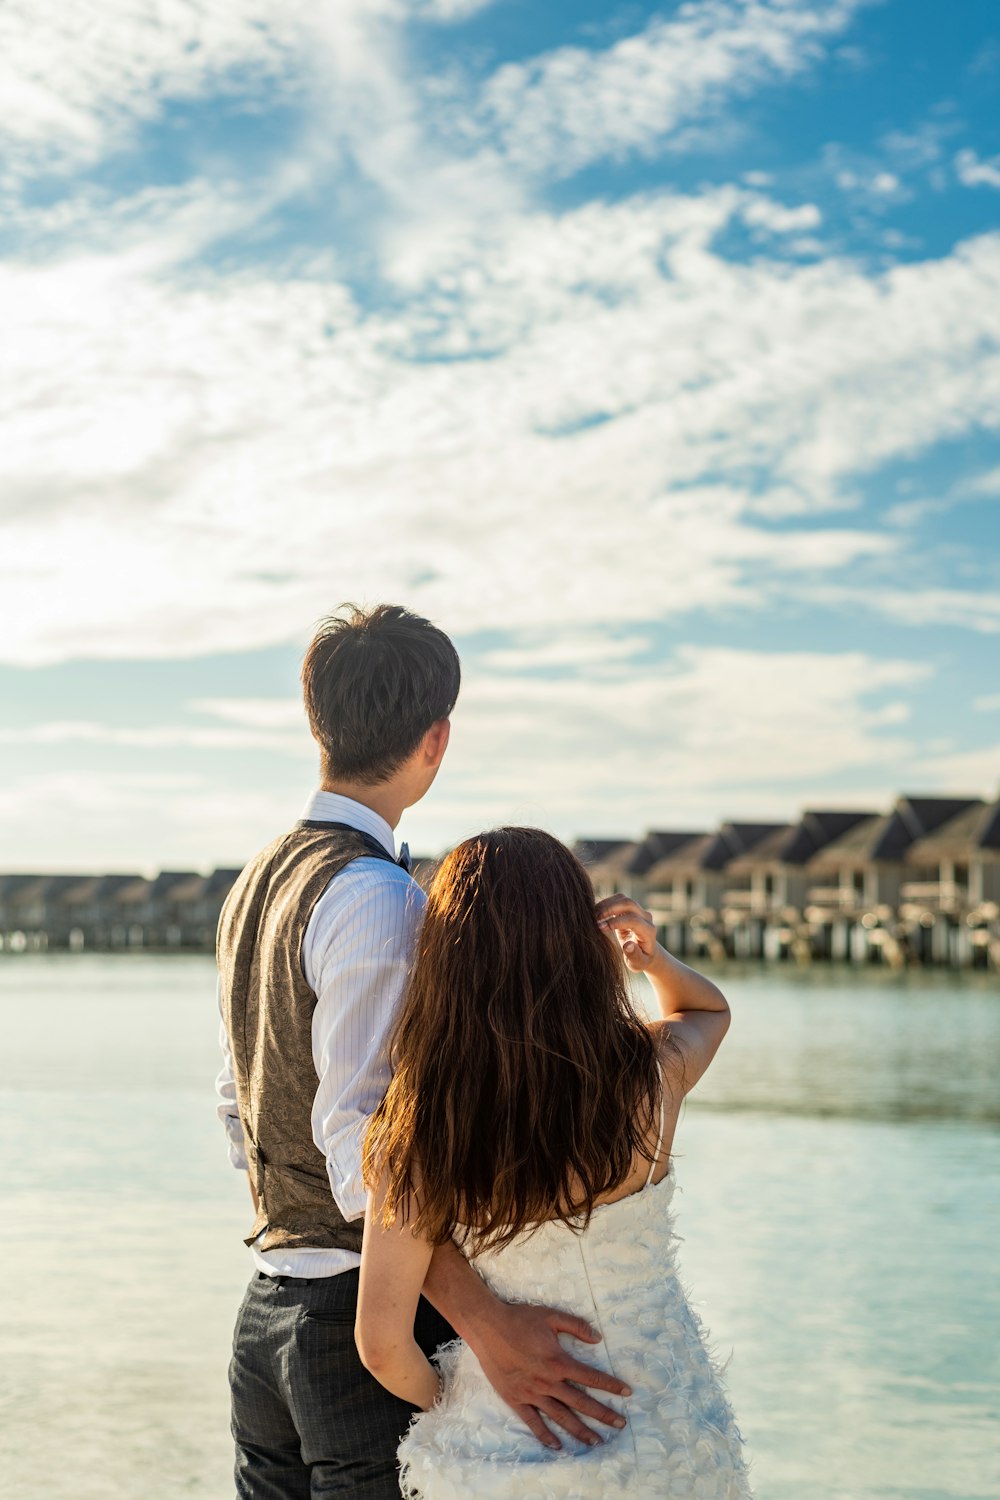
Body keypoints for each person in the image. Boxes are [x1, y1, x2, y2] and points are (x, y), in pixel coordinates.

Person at [215, 606, 630, 1500]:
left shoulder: (258, 879)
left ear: (317, 721)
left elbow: (237, 1098)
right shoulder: (380, 898)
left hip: (266, 1313)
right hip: (355, 1322)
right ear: (436, 740)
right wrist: (483, 1322)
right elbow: (372, 1148)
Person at [356, 826, 753, 1499]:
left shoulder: (419, 1129)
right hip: (671, 1442)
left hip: (507, 1448)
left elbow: (382, 1345)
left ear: (447, 957)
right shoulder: (650, 1079)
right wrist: (650, 958)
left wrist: (462, 1400)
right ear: (581, 939)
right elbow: (708, 1009)